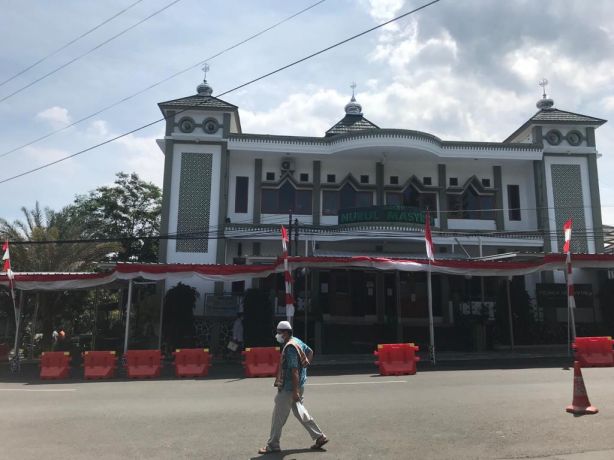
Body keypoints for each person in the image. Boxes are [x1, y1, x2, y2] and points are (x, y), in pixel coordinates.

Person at [258, 321, 328, 455]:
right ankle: (319, 437)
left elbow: (294, 370)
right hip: (299, 385)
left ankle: (273, 445)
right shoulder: (296, 341)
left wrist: (295, 391)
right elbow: (310, 352)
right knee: (300, 412)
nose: (277, 335)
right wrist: (305, 368)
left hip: (290, 388)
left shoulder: (290, 347)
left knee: (278, 417)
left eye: (279, 332)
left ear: (285, 333)